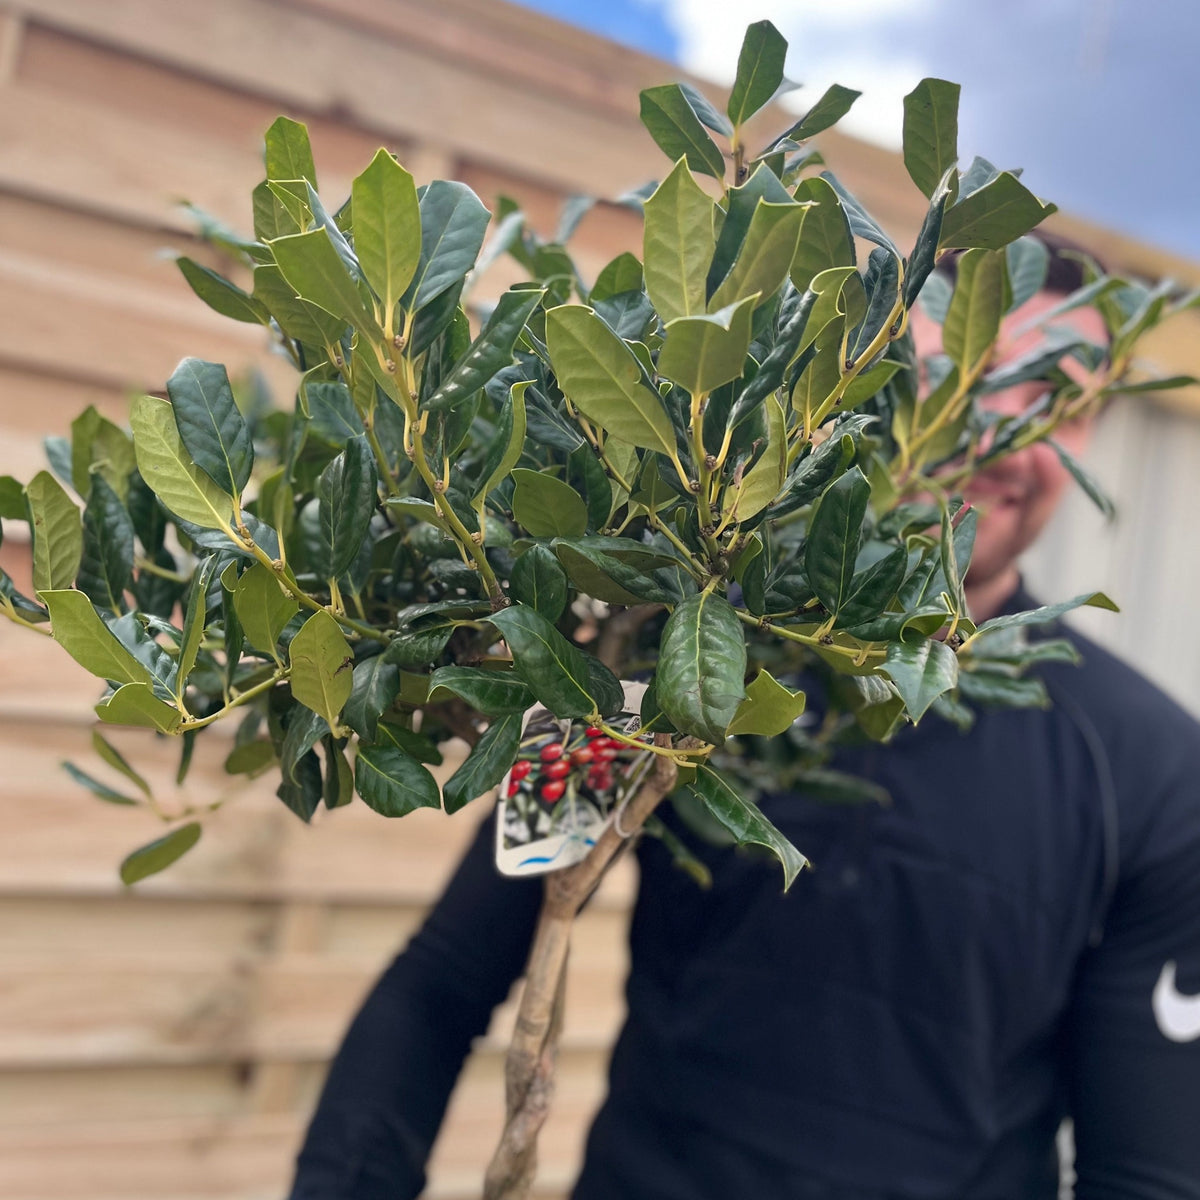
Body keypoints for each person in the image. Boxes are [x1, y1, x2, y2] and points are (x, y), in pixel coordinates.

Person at [288, 239, 1200, 1199]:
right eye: (951, 374)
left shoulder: (1153, 771)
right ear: (872, 386)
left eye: (1052, 393)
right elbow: (441, 983)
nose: (997, 430)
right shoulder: (655, 667)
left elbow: (1147, 1174)